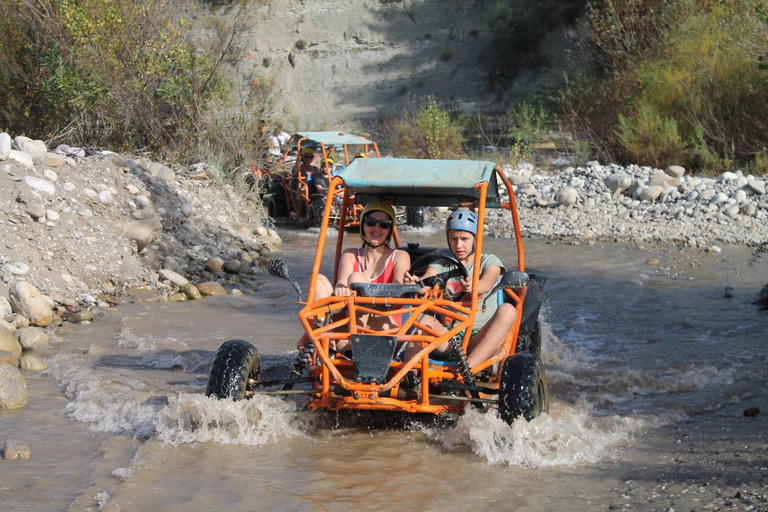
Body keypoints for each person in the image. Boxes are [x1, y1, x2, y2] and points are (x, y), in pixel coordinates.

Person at [403, 209, 516, 369]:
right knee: (423, 319)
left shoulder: (488, 261)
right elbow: (426, 282)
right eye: (453, 239)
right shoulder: (441, 264)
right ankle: (409, 376)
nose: (459, 245)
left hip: (482, 337)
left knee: (508, 310)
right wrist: (416, 282)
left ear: (475, 239)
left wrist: (475, 286)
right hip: (449, 337)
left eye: (464, 239)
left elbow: (488, 282)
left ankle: (466, 370)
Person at [315, 201, 411, 350]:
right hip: (348, 328)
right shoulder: (350, 254)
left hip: (386, 328)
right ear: (363, 225)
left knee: (357, 279)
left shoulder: (400, 256)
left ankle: (353, 351)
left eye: (384, 224)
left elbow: (398, 292)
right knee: (318, 280)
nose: (377, 228)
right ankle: (326, 351)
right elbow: (342, 283)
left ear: (390, 229)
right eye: (371, 222)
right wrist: (342, 288)